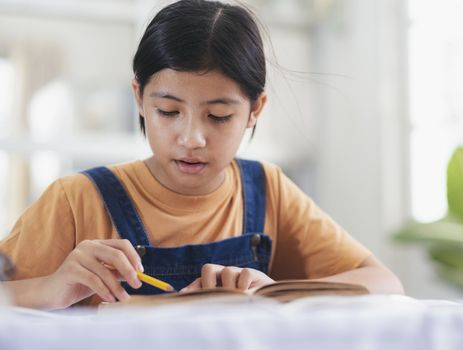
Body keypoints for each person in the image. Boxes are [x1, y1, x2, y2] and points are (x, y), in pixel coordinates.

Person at [0, 0, 403, 310]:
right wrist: (50, 288)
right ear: (139, 98)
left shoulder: (267, 190)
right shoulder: (76, 199)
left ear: (255, 110)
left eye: (218, 116)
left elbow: (385, 284)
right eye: (169, 112)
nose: (192, 138)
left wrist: (277, 292)